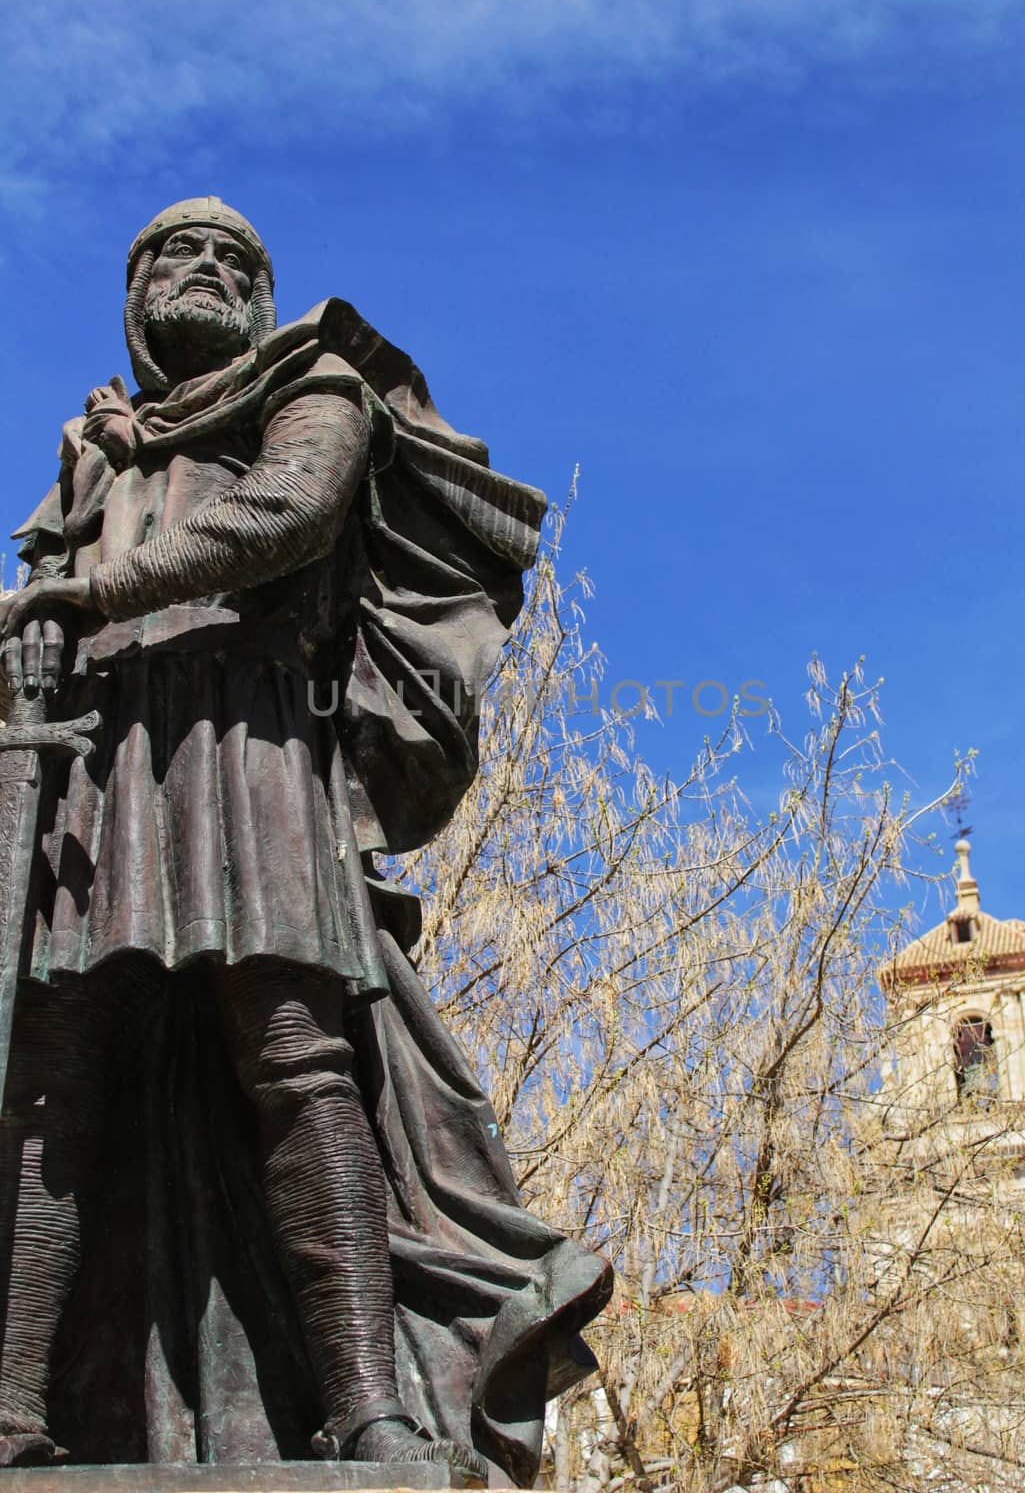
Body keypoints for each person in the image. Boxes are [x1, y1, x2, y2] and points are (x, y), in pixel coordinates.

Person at [0, 199, 610, 1478]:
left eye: (235, 258)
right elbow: (39, 601)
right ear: (132, 290)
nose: (207, 268)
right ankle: (12, 1407)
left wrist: (86, 587)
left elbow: (286, 513)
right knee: (52, 1076)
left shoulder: (314, 377)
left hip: (253, 745)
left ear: (267, 296)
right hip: (99, 762)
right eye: (176, 252)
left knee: (294, 1054)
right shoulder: (93, 448)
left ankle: (368, 1408)